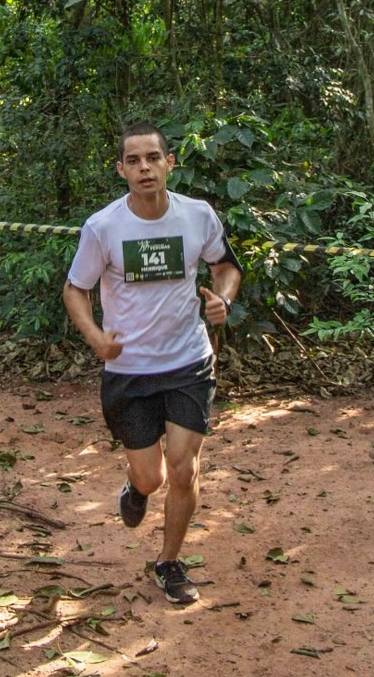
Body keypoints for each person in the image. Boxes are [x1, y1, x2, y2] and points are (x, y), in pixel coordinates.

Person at [62, 122, 242, 604]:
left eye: (153, 158)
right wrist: (96, 337)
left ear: (169, 163)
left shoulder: (197, 215)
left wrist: (222, 299)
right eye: (134, 160)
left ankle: (168, 562)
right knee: (152, 477)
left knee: (183, 470)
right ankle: (137, 487)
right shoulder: (103, 227)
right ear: (121, 170)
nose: (145, 167)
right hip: (129, 370)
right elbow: (75, 289)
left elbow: (226, 267)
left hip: (188, 362)